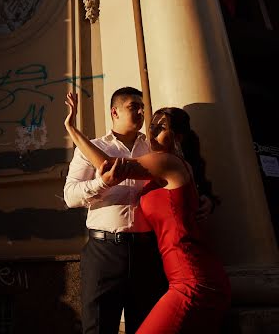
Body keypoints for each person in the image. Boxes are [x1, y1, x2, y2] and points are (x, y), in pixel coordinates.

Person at [64, 92, 231, 334]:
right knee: (98, 328)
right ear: (115, 112)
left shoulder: (155, 149)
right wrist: (102, 184)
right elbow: (70, 196)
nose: (143, 114)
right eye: (135, 107)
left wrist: (204, 199)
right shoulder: (94, 147)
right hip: (105, 251)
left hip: (149, 252)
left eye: (144, 108)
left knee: (144, 323)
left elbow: (183, 181)